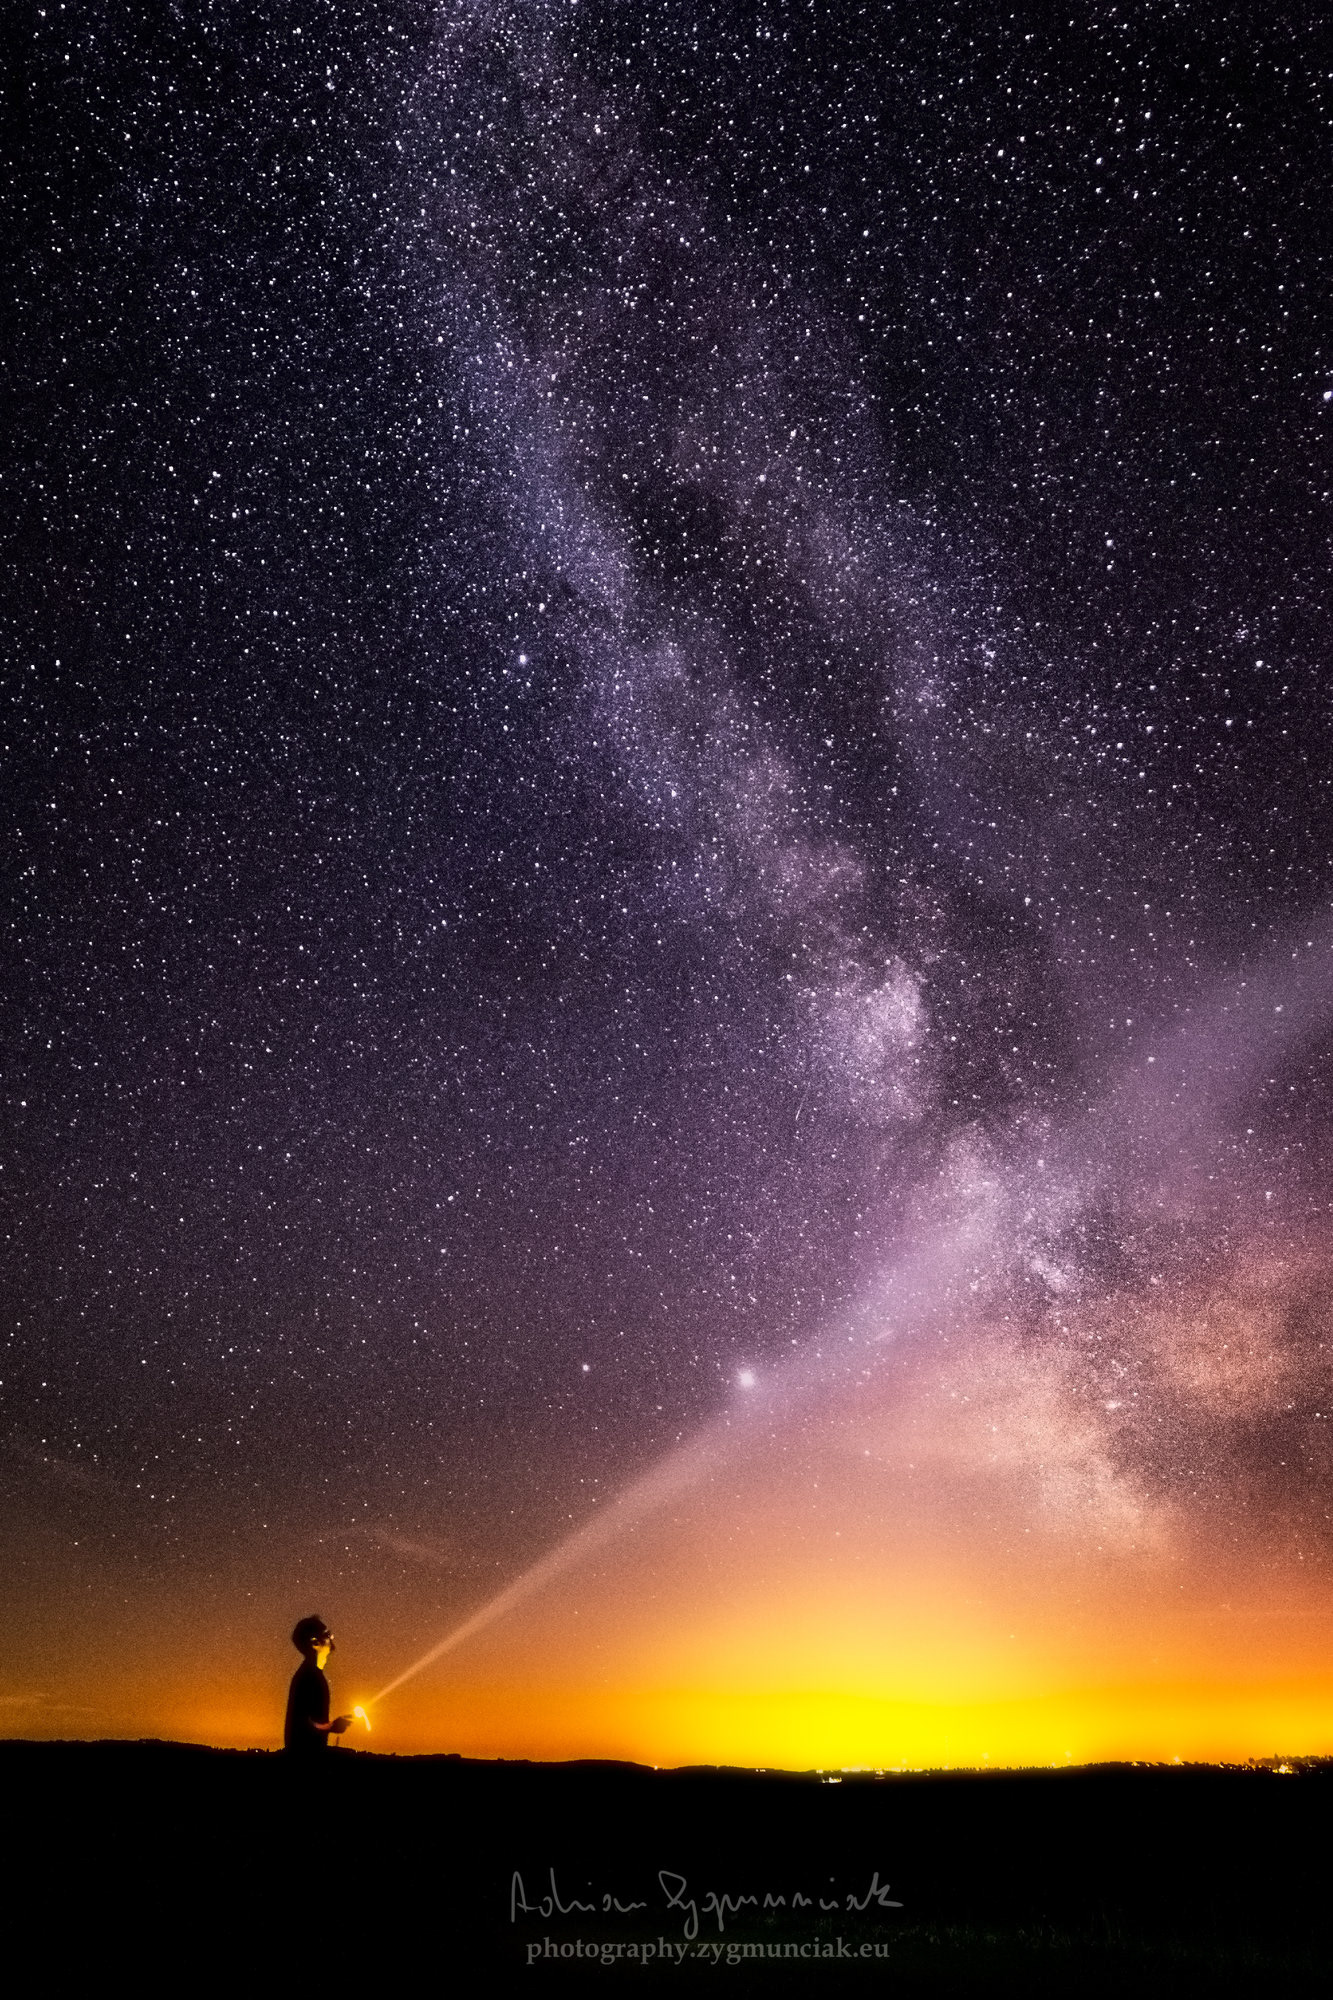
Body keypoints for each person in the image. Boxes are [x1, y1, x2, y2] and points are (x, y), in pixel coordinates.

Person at [284, 1615, 353, 1752]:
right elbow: (301, 1724)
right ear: (315, 1643)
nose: (332, 1641)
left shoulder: (310, 1675)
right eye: (328, 1635)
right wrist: (332, 1726)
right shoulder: (309, 1677)